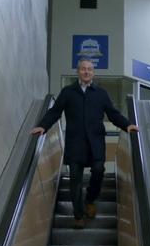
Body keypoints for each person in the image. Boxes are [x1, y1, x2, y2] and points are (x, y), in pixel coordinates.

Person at [32, 58, 138, 228]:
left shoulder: (101, 93)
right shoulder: (68, 92)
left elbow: (113, 114)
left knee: (99, 170)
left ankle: (89, 200)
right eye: (83, 69)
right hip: (75, 144)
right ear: (78, 72)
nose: (86, 72)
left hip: (96, 143)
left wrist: (127, 125)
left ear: (93, 73)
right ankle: (78, 215)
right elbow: (55, 112)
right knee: (75, 180)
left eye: (89, 69)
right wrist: (42, 126)